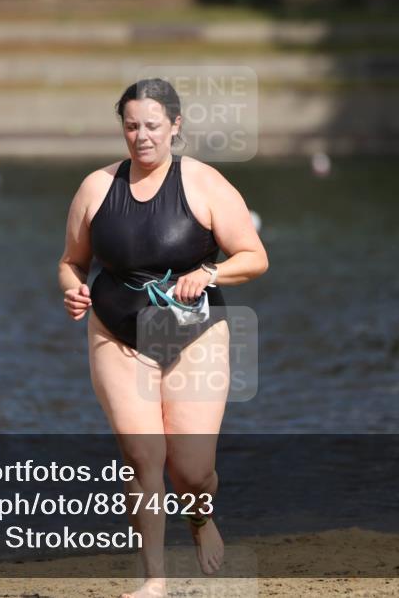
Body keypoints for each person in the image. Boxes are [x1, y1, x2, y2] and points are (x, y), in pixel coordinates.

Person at [58, 78, 268, 598]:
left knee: (191, 471)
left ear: (175, 126)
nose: (142, 137)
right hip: (117, 329)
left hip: (194, 333)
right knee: (141, 454)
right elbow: (71, 262)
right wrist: (73, 292)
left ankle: (199, 516)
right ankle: (154, 579)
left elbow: (253, 256)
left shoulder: (203, 183)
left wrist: (211, 275)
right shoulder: (96, 187)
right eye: (132, 126)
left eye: (153, 126)